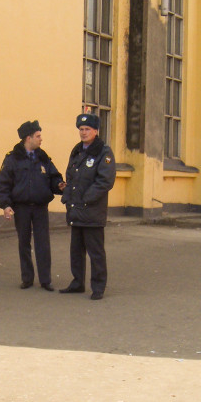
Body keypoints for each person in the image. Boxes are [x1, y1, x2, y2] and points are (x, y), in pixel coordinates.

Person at [0, 120, 65, 291]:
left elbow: (54, 177)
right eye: (38, 136)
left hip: (40, 207)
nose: (41, 139)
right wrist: (5, 205)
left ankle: (45, 280)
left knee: (43, 243)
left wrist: (59, 185)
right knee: (24, 243)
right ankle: (27, 278)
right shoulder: (12, 159)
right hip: (22, 208)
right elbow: (3, 185)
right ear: (28, 138)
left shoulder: (43, 157)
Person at [60, 113, 116, 300]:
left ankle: (98, 286)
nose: (83, 133)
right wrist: (67, 198)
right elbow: (70, 176)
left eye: (87, 129)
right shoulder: (77, 150)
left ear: (96, 131)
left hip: (92, 210)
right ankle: (77, 283)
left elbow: (105, 181)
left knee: (95, 252)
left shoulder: (104, 152)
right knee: (76, 251)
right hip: (76, 210)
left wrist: (86, 199)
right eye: (81, 129)